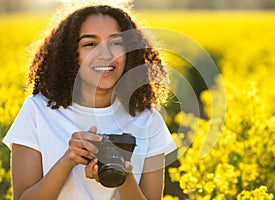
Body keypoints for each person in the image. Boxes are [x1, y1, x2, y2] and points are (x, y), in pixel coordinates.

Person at [3, 3, 176, 200]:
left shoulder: (148, 119)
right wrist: (68, 160)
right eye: (90, 44)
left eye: (116, 43)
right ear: (70, 54)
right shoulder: (37, 111)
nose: (105, 55)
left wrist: (120, 171)